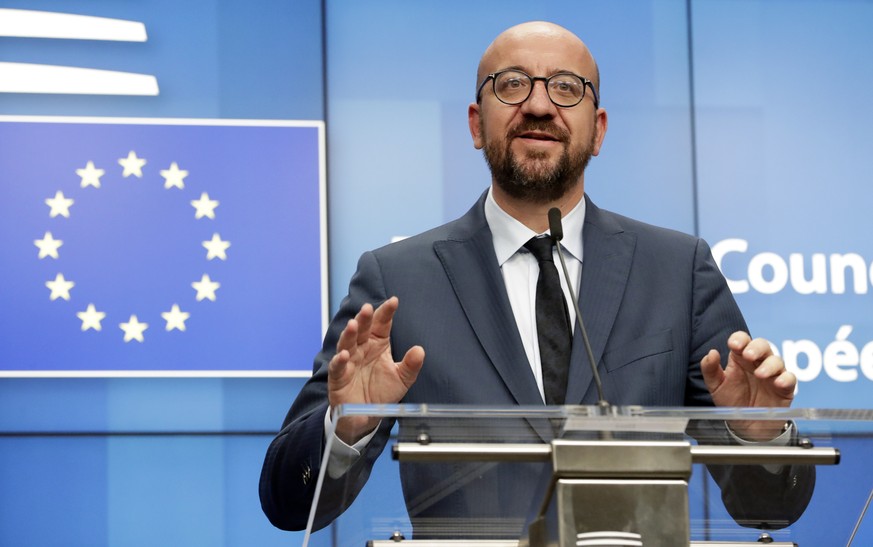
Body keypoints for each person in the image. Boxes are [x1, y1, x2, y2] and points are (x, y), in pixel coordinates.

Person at [260, 21, 813, 538]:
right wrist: (347, 428)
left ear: (597, 131)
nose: (540, 105)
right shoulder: (397, 279)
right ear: (477, 124)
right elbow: (288, 503)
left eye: (567, 88)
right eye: (513, 84)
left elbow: (768, 508)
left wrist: (758, 438)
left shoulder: (678, 270)